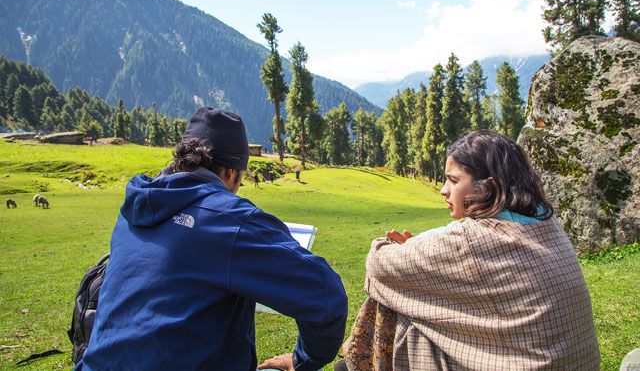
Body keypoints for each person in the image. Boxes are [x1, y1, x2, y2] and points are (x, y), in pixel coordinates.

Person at [76, 107, 348, 371]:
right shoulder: (230, 219)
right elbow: (326, 294)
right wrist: (302, 360)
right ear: (231, 173)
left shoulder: (134, 207)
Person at [340, 130, 600, 370]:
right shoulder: (545, 220)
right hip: (570, 362)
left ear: (486, 186)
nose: (443, 190)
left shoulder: (470, 239)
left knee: (396, 301)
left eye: (453, 180)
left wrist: (408, 248)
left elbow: (378, 263)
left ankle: (356, 364)